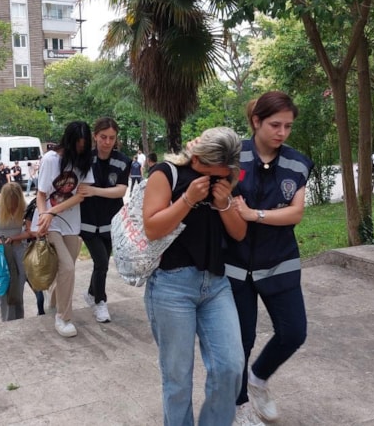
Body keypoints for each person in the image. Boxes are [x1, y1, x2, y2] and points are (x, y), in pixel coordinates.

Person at [142, 127, 246, 426]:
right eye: (211, 174)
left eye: (222, 175)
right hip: (171, 286)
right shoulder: (166, 173)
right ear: (197, 158)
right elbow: (152, 228)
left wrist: (224, 203)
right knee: (177, 378)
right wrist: (187, 199)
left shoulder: (226, 177)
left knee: (230, 367)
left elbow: (239, 233)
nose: (216, 180)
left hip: (215, 285)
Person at [226, 91, 314, 425]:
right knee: (241, 340)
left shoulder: (297, 163)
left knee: (294, 332)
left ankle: (258, 378)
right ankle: (239, 405)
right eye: (275, 125)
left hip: (280, 261)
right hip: (235, 265)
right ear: (256, 121)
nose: (282, 132)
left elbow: (295, 213)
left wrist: (255, 215)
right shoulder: (232, 157)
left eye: (288, 126)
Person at [32, 121, 94, 338]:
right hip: (50, 223)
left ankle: (53, 300)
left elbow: (80, 195)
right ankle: (63, 317)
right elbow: (41, 195)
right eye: (77, 144)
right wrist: (44, 216)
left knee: (66, 268)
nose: (80, 149)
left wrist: (52, 211)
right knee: (67, 268)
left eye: (84, 145)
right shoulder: (51, 159)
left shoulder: (84, 162)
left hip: (70, 223)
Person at [78, 117, 130, 323]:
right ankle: (100, 301)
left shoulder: (123, 161)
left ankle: (91, 293)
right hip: (87, 222)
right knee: (101, 262)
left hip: (111, 222)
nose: (107, 142)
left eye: (111, 137)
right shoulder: (84, 159)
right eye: (103, 137)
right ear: (95, 136)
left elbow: (121, 190)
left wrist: (94, 191)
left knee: (103, 263)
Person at [0, 183, 33, 321]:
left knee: (19, 285)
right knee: (5, 285)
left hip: (18, 248)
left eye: (15, 201)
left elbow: (30, 231)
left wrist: (16, 238)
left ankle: (19, 317)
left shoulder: (25, 207)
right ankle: (7, 319)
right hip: (0, 249)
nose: (12, 205)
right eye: (10, 202)